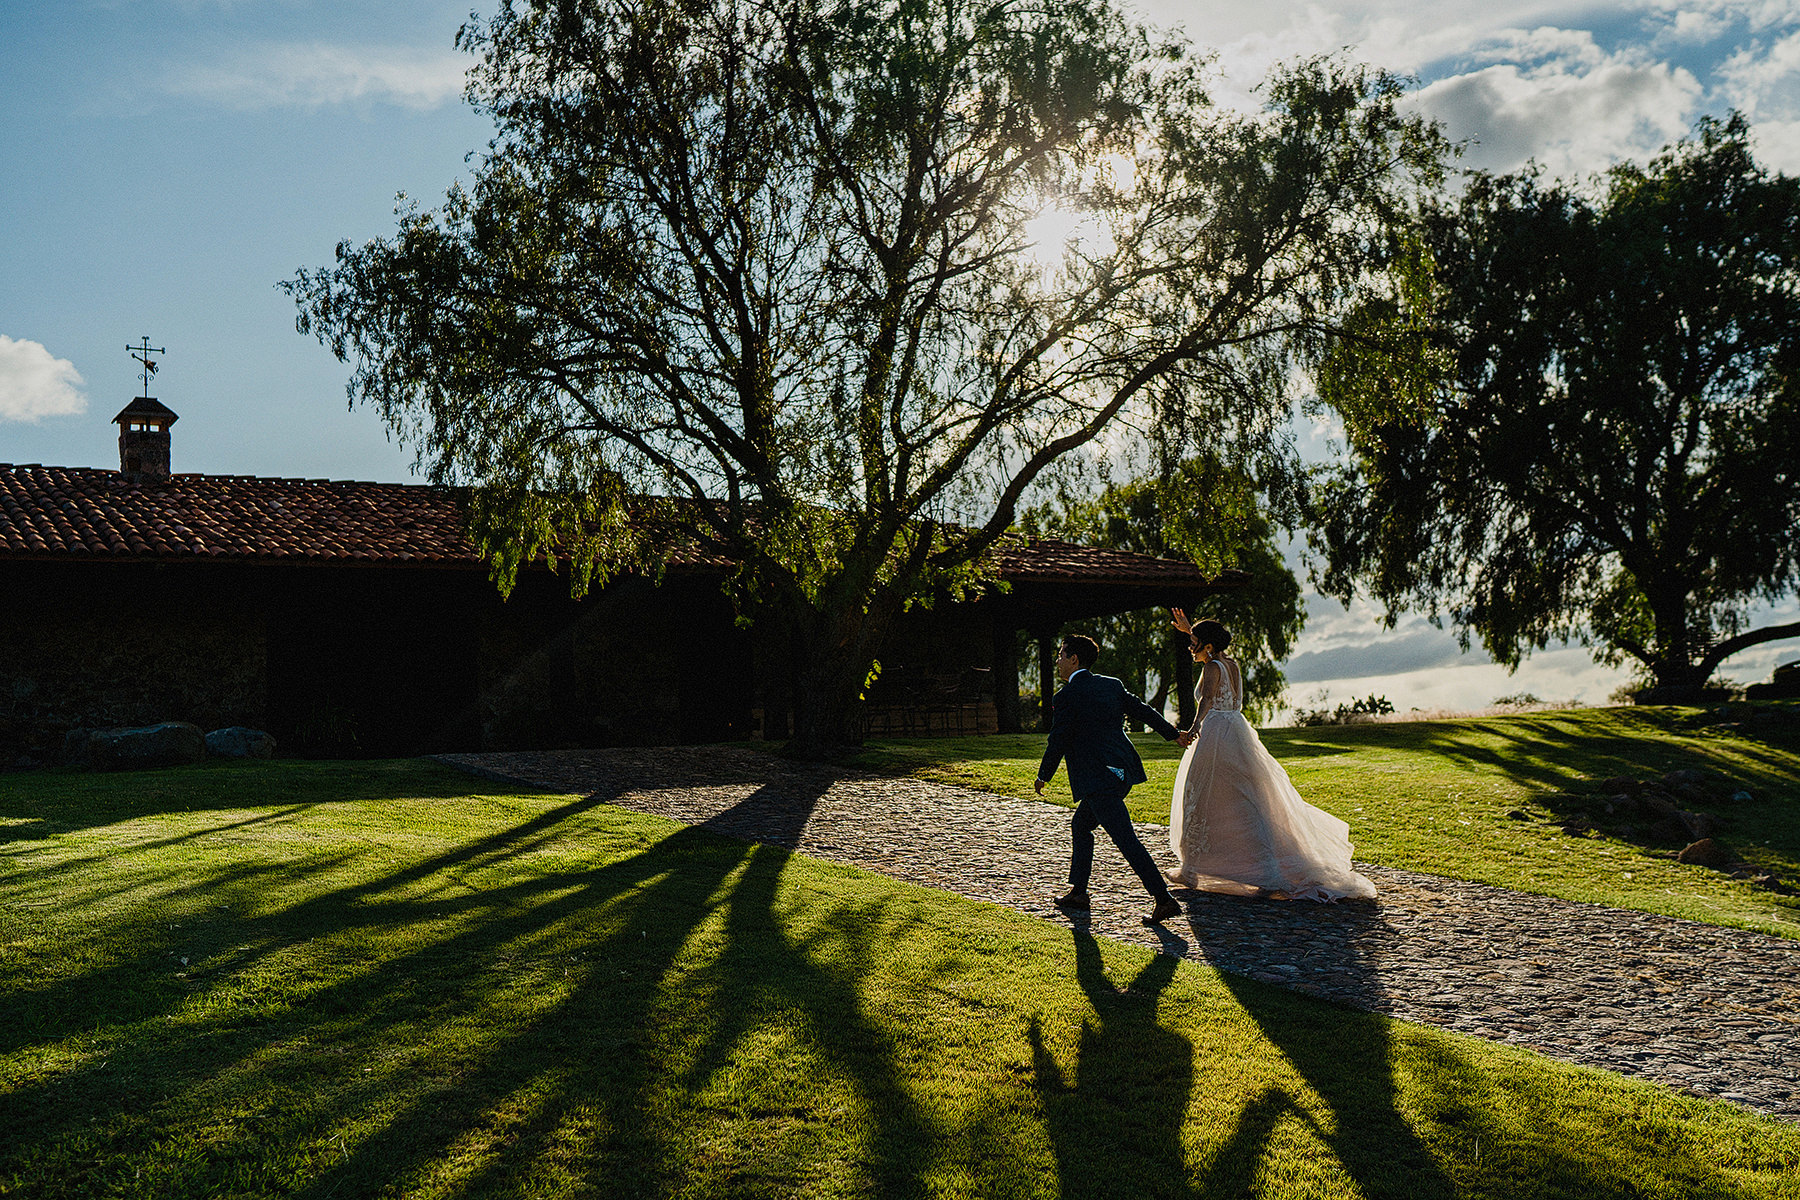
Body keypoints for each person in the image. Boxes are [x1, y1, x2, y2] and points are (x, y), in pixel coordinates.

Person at [1165, 610, 1377, 902]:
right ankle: (1254, 868)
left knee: (1203, 796)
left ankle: (1194, 869)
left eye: (1195, 643)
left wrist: (1193, 727)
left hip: (1215, 733)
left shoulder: (1212, 667)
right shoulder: (1232, 664)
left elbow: (1209, 700)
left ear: (1208, 646)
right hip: (1236, 731)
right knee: (1246, 799)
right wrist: (1191, 630)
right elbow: (1223, 682)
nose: (1191, 648)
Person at [1036, 634, 1189, 923]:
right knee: (1081, 824)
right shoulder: (1111, 685)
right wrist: (1172, 734)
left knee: (1125, 838)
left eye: (1060, 655)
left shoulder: (1066, 696)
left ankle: (1163, 899)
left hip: (1098, 778)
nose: (1057, 661)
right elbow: (1142, 711)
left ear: (1074, 659)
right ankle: (1079, 892)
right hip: (1121, 772)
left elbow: (1058, 740)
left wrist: (1044, 775)